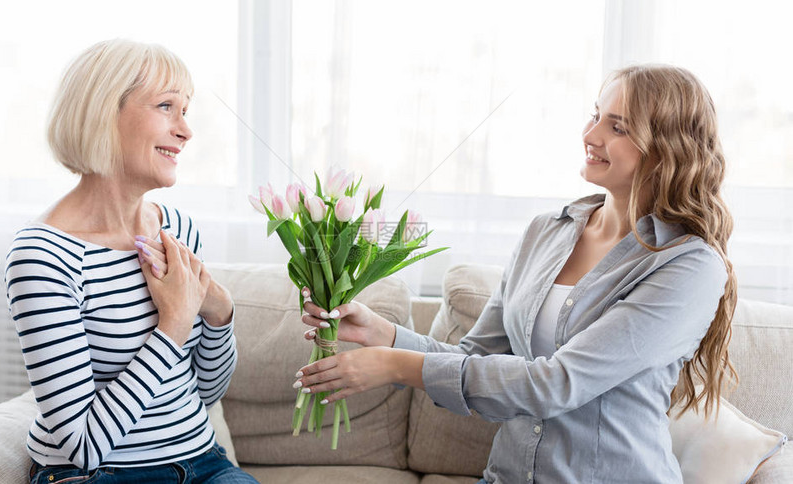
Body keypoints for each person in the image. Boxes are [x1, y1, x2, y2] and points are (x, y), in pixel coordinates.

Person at [296, 65, 737, 483]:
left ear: (666, 149)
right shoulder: (545, 232)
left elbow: (557, 383)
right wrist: (384, 335)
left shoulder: (688, 265)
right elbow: (473, 354)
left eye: (617, 127)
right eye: (595, 115)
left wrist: (395, 366)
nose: (590, 135)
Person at [5, 39, 257, 483]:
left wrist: (219, 314)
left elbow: (203, 394)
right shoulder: (44, 256)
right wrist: (173, 324)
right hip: (100, 475)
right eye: (166, 106)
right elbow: (81, 447)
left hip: (204, 463)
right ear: (105, 113)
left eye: (186, 110)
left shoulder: (177, 229)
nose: (185, 130)